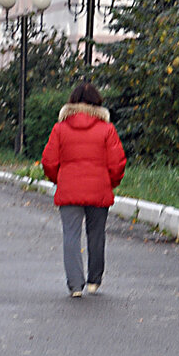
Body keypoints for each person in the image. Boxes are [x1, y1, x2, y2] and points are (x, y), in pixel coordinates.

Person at [41, 81, 126, 299]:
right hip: (99, 188)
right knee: (96, 235)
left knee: (71, 235)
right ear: (97, 103)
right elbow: (117, 163)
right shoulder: (107, 129)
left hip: (69, 188)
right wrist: (111, 182)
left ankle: (75, 285)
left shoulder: (60, 129)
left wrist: (59, 179)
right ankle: (94, 281)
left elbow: (49, 161)